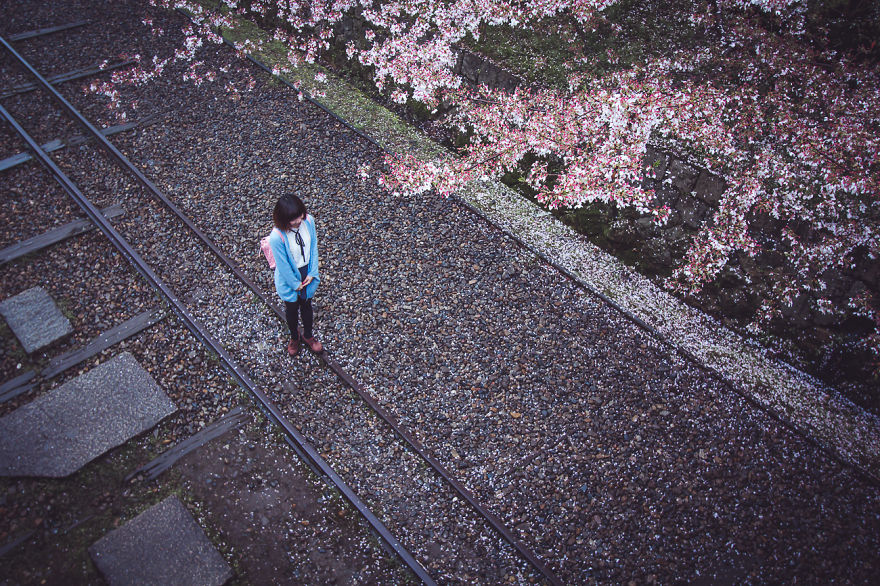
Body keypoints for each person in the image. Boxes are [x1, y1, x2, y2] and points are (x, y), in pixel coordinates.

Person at [268, 194, 323, 356]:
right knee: (291, 309)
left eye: (299, 215)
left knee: (307, 305)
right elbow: (282, 264)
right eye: (293, 219)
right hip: (290, 278)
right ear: (283, 219)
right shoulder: (276, 237)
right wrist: (294, 283)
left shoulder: (309, 221)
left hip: (307, 272)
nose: (298, 221)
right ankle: (294, 337)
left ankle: (308, 335)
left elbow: (313, 247)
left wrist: (313, 272)